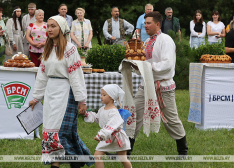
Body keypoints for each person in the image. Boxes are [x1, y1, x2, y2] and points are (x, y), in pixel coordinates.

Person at [28, 16, 93, 168]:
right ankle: (55, 164)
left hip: (66, 93)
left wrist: (82, 100)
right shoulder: (48, 49)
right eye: (48, 26)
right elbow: (42, 75)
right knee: (50, 131)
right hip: (51, 92)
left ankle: (77, 162)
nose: (49, 29)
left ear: (62, 29)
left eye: (53, 26)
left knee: (63, 133)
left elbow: (76, 76)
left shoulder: (70, 50)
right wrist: (36, 97)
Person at [128, 11, 188, 156]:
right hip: (147, 85)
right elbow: (144, 63)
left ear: (158, 24)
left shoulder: (165, 40)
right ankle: (126, 151)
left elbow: (167, 64)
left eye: (148, 23)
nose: (145, 26)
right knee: (134, 114)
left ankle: (183, 151)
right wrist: (135, 66)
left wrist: (146, 67)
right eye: (144, 23)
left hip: (162, 86)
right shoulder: (148, 41)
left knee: (171, 119)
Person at [80, 84, 132, 168]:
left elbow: (110, 126)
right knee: (97, 155)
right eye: (101, 94)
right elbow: (97, 118)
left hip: (116, 137)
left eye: (104, 95)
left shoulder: (114, 112)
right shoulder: (102, 109)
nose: (101, 97)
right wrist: (86, 114)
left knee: (123, 158)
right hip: (107, 137)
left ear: (111, 97)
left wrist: (101, 135)